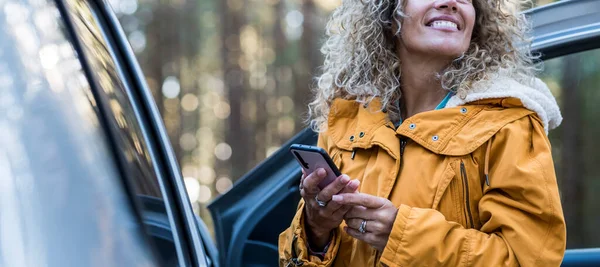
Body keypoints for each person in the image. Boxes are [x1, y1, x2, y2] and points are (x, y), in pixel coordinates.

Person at [278, 0, 567, 266]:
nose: (451, 2)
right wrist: (316, 230)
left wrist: (403, 235)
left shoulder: (510, 124)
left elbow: (529, 260)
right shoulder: (348, 120)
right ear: (388, 15)